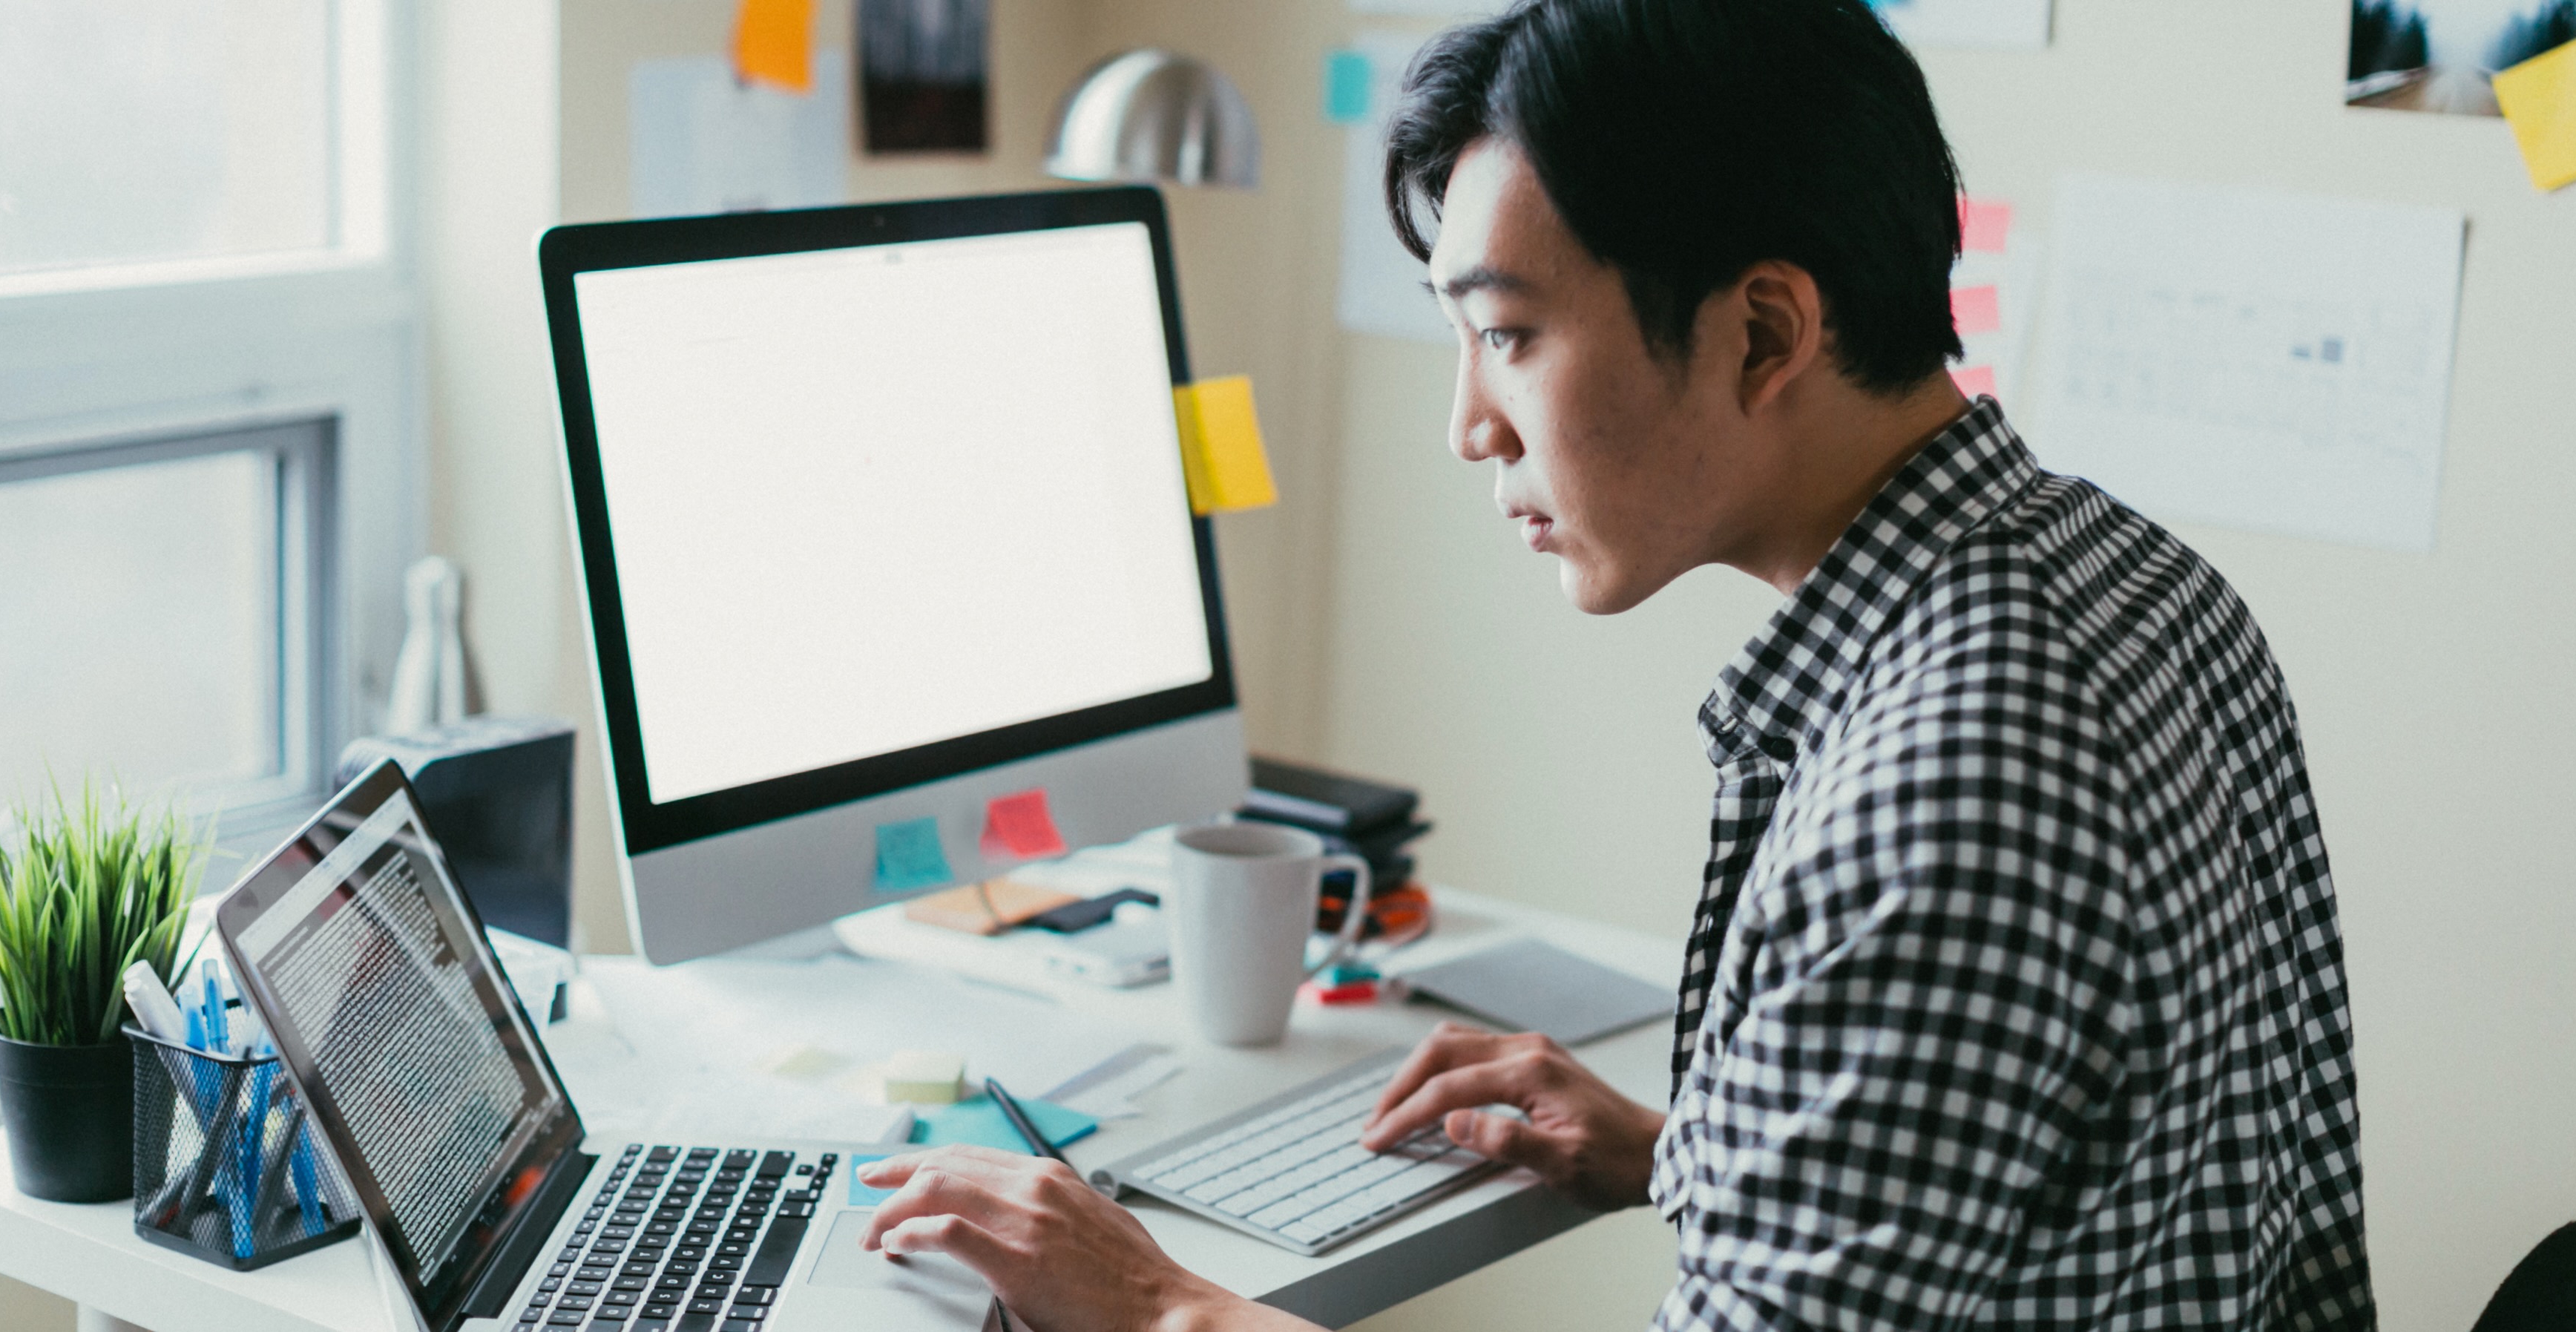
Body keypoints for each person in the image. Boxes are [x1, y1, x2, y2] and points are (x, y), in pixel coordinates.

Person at [850, 0, 2376, 1327]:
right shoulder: (2137, 580)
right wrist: (1695, 1149)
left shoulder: (1942, 782)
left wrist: (1157, 1301)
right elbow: (2112, 1182)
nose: (1470, 425)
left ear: (1765, 331)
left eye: (1507, 334)